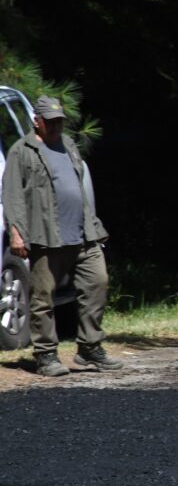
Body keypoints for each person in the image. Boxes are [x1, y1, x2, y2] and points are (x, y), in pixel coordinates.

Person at [2, 95, 123, 377]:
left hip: (82, 233)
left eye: (60, 121)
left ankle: (89, 347)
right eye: (51, 122)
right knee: (43, 297)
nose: (57, 127)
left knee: (98, 282)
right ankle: (46, 355)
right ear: (37, 121)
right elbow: (12, 195)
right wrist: (17, 233)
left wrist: (94, 224)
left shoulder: (68, 144)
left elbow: (78, 188)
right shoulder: (22, 151)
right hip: (47, 236)